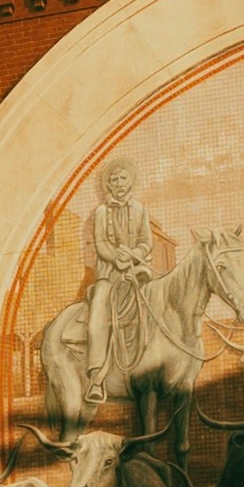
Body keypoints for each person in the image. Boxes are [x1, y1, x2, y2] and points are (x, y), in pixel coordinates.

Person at [81, 156, 154, 407]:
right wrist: (117, 259)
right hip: (108, 274)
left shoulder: (140, 210)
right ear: (108, 186)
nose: (119, 183)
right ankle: (96, 379)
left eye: (123, 178)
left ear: (131, 181)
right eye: (114, 179)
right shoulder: (101, 212)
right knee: (97, 319)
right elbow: (101, 243)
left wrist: (136, 255)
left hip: (137, 269)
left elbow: (147, 241)